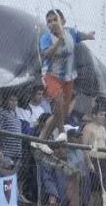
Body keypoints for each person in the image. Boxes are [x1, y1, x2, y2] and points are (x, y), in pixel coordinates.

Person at [37, 9, 95, 142]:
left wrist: (89, 35)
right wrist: (58, 41)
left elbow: (80, 36)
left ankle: (42, 139)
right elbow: (46, 54)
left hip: (68, 78)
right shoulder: (46, 38)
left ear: (62, 21)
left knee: (61, 113)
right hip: (52, 76)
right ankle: (62, 133)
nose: (52, 23)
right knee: (58, 100)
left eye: (55, 20)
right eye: (49, 21)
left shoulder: (70, 33)